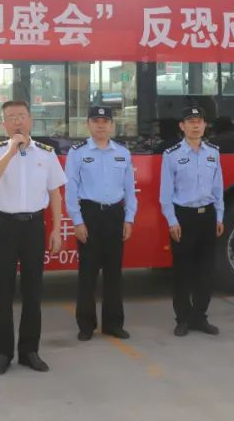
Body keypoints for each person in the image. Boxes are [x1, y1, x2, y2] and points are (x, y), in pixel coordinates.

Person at [0, 100, 65, 375]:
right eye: (11, 117)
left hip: (34, 227)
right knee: (3, 292)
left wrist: (56, 229)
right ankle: (3, 353)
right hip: (5, 226)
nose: (17, 121)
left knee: (33, 292)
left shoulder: (46, 153)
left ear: (31, 120)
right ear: (4, 124)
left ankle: (30, 351)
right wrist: (11, 151)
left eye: (21, 116)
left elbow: (55, 193)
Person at [64, 105, 136, 341]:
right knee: (88, 273)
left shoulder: (122, 152)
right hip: (90, 215)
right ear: (88, 124)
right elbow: (71, 189)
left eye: (105, 122)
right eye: (96, 121)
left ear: (112, 125)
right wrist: (77, 221)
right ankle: (86, 325)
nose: (101, 125)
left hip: (115, 214)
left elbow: (130, 189)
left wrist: (129, 218)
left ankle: (113, 324)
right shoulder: (77, 152)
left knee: (114, 273)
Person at [159, 106, 224, 337]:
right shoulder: (172, 154)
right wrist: (172, 220)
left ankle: (200, 317)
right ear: (182, 126)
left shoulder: (213, 153)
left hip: (207, 216)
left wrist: (220, 216)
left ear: (205, 125)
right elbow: (166, 193)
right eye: (190, 121)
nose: (195, 125)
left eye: (199, 121)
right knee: (183, 271)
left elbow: (218, 188)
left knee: (206, 271)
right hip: (183, 217)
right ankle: (183, 319)